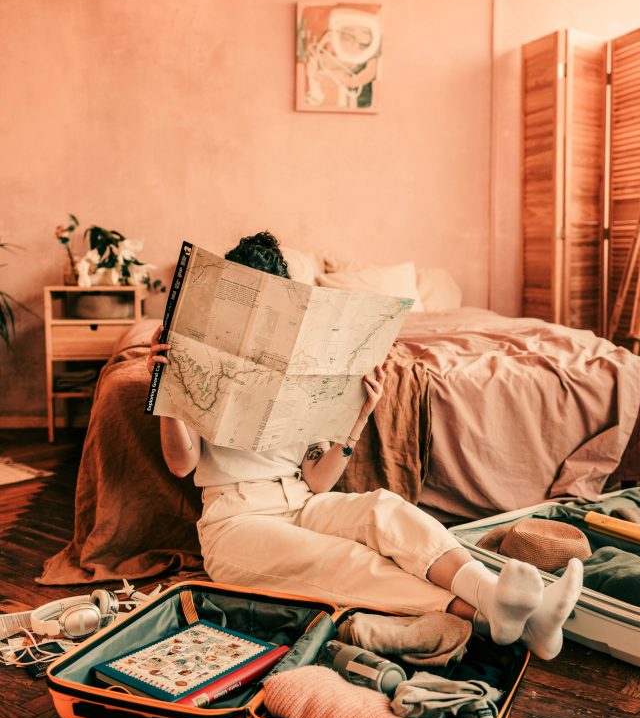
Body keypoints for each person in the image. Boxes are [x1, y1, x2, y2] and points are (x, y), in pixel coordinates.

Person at [148, 231, 584, 660]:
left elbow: (318, 482)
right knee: (344, 559)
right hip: (236, 521)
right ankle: (502, 621)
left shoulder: (303, 359)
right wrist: (165, 391)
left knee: (384, 509)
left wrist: (358, 416)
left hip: (302, 502)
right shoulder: (198, 353)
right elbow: (181, 466)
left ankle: (501, 600)